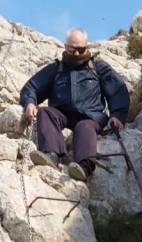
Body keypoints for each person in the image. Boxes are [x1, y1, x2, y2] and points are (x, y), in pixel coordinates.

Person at [19, 28, 129, 182]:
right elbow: (32, 87)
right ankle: (51, 155)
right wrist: (30, 102)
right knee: (45, 112)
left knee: (84, 127)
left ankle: (84, 167)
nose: (76, 54)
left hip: (91, 117)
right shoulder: (56, 69)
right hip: (61, 114)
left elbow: (117, 90)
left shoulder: (98, 68)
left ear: (87, 47)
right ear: (65, 47)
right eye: (72, 49)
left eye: (81, 49)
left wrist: (118, 115)